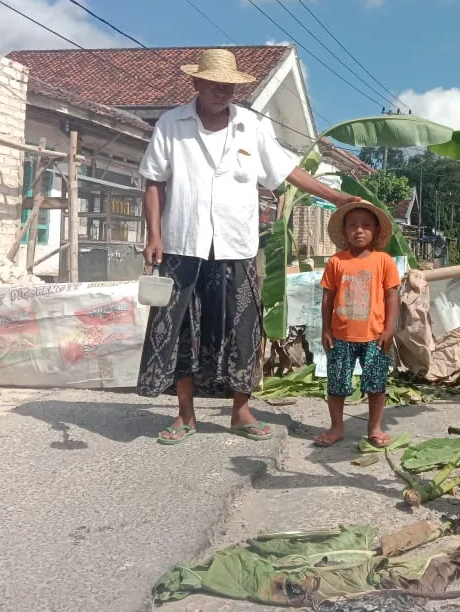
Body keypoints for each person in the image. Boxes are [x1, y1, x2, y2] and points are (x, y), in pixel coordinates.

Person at [136, 49, 358, 445]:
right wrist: (154, 234)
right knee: (182, 330)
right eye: (214, 83)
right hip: (182, 245)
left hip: (236, 246)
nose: (222, 91)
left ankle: (240, 412)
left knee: (242, 329)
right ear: (197, 83)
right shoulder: (172, 124)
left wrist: (336, 197)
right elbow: (154, 181)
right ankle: (185, 414)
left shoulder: (251, 126)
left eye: (229, 85)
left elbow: (287, 171)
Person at [315, 201, 401, 448]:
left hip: (375, 337)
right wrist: (326, 329)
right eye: (352, 225)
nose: (359, 230)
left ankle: (374, 428)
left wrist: (389, 329)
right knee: (336, 385)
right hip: (340, 337)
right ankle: (336, 427)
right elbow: (327, 297)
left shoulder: (384, 261)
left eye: (366, 225)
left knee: (376, 385)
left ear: (376, 230)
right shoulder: (336, 262)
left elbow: (392, 296)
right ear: (344, 231)